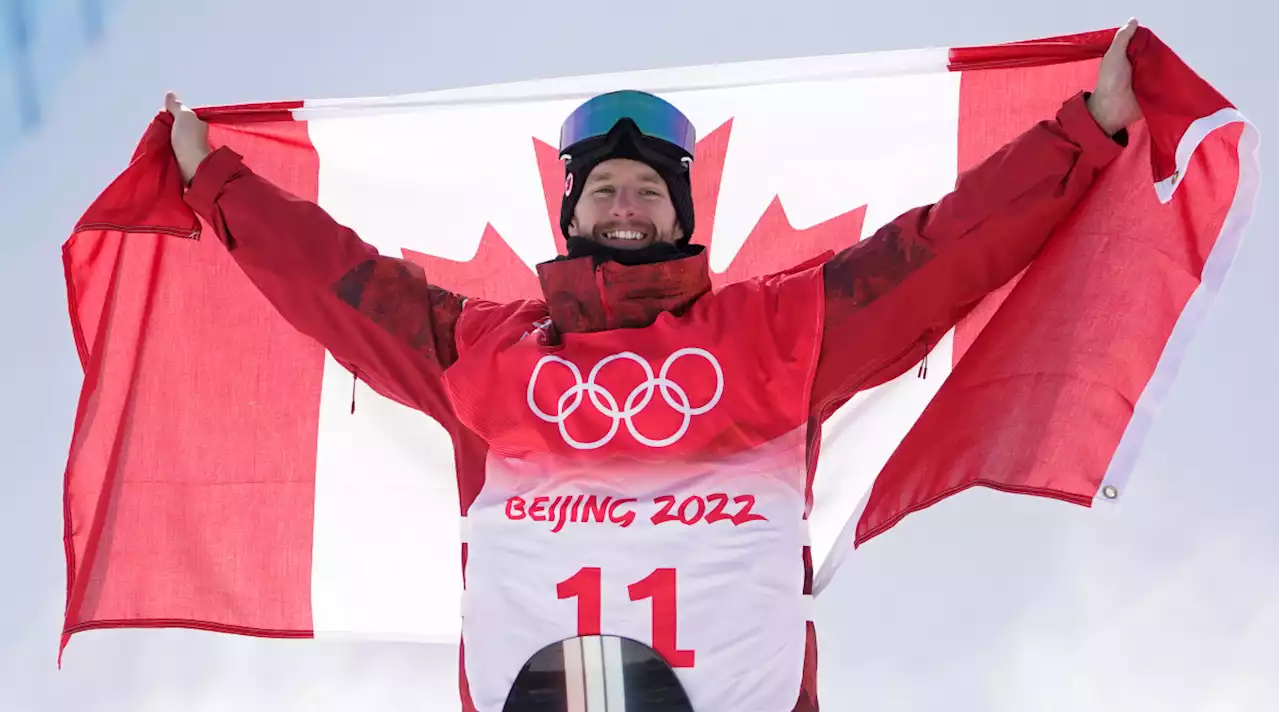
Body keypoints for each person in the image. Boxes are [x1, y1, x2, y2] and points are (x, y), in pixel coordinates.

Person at [165, 19, 1143, 712]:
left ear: (680, 215)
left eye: (645, 188)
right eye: (603, 189)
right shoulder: (483, 355)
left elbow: (932, 258)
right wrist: (216, 180)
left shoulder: (772, 330)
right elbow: (340, 287)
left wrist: (1084, 132)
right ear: (570, 212)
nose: (624, 204)